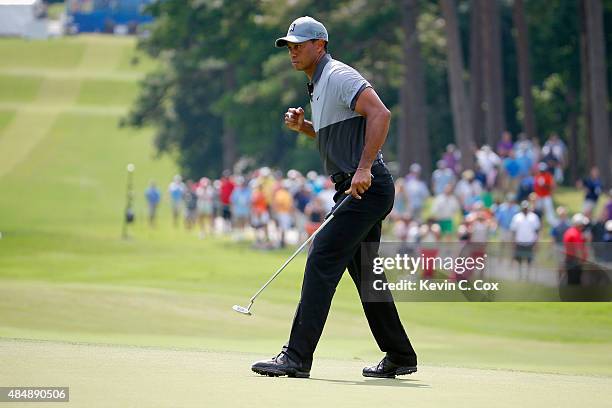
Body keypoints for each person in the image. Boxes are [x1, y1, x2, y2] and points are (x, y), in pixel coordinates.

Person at [252, 16, 417, 379]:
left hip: (366, 187)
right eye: (289, 46)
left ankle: (296, 357)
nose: (292, 51)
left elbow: (380, 114)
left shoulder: (339, 76)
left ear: (320, 46)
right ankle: (400, 355)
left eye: (299, 44)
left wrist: (364, 168)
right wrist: (305, 128)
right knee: (367, 278)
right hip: (357, 188)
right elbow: (339, 139)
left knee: (322, 255)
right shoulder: (317, 85)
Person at [510, 201, 541, 281]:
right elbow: (514, 230)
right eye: (524, 208)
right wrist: (513, 242)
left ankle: (527, 275)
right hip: (519, 241)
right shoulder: (517, 217)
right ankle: (520, 275)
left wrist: (536, 242)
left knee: (529, 260)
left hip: (530, 241)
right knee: (519, 259)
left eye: (526, 208)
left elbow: (537, 231)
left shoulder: (534, 217)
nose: (525, 209)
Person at [562, 214, 589, 285]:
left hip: (571, 260)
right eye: (581, 225)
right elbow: (578, 249)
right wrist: (581, 262)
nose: (583, 227)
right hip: (575, 261)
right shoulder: (575, 233)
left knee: (572, 282)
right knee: (575, 282)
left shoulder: (571, 231)